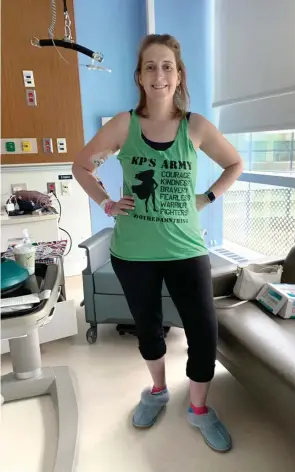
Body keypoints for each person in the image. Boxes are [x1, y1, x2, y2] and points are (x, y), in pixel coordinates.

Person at [73, 34, 243, 452]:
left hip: (187, 251)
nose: (159, 74)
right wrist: (107, 202)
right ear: (139, 76)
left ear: (179, 74)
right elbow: (81, 165)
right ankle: (158, 390)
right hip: (133, 254)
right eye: (150, 66)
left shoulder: (196, 126)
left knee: (203, 333)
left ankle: (198, 409)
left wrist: (207, 197)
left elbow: (235, 163)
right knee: (148, 330)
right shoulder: (124, 125)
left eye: (167, 66)